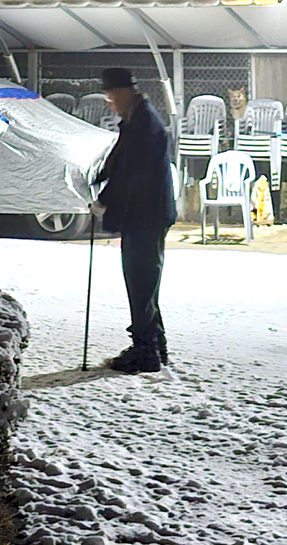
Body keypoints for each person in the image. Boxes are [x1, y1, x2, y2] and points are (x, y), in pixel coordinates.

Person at [95, 65, 177, 372]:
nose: (110, 102)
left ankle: (147, 352)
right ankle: (154, 345)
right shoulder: (136, 119)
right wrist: (100, 176)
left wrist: (104, 200)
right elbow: (119, 159)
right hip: (144, 214)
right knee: (144, 284)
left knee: (141, 282)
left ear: (124, 92)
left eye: (111, 95)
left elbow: (131, 172)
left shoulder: (143, 124)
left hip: (146, 214)